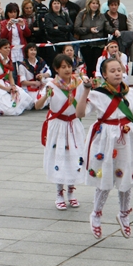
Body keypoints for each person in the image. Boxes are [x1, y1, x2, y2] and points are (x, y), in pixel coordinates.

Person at [78, 58, 133, 238]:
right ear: (104, 74)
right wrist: (86, 90)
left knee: (126, 175)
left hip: (127, 137)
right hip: (106, 139)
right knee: (105, 177)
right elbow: (80, 113)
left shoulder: (131, 93)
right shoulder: (97, 94)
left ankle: (124, 214)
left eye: (119, 70)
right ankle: (96, 214)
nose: (117, 73)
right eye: (112, 71)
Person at [38, 54, 87, 209]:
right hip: (58, 126)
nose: (67, 70)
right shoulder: (51, 85)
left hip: (73, 124)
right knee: (59, 158)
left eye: (69, 66)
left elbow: (86, 102)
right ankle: (59, 193)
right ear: (56, 69)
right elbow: (38, 105)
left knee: (75, 157)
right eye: (63, 67)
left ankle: (71, 192)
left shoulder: (79, 83)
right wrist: (46, 95)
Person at [0, 39, 35, 116]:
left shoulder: (8, 60)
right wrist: (5, 88)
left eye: (9, 47)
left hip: (5, 83)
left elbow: (10, 77)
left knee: (23, 95)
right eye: (5, 48)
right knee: (7, 109)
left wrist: (13, 86)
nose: (8, 49)